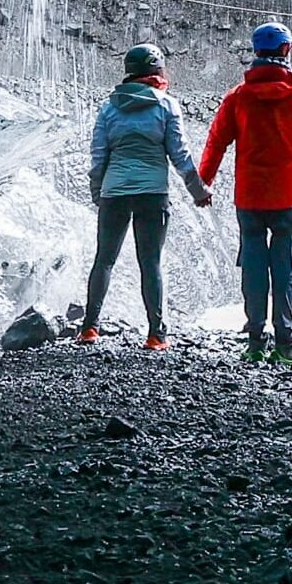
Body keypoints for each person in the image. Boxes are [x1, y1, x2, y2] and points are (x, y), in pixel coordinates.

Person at [199, 19, 292, 369]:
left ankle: (255, 341)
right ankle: (285, 345)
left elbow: (217, 142)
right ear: (286, 50)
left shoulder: (238, 97)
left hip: (250, 197)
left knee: (253, 266)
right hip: (288, 197)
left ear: (256, 52)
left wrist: (203, 183)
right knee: (284, 266)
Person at [77, 43, 211, 352]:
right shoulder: (166, 105)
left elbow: (98, 156)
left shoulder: (109, 108)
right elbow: (180, 155)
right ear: (156, 69)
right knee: (150, 262)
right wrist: (198, 191)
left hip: (114, 193)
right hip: (153, 194)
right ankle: (156, 335)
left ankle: (89, 329)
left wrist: (98, 192)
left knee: (104, 260)